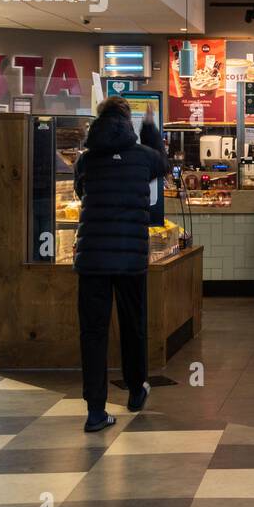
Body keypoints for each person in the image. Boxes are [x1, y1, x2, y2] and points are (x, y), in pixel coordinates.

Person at [72, 97, 164, 432]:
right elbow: (163, 164)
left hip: (93, 257)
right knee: (133, 324)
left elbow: (81, 193)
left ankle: (95, 411)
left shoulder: (85, 160)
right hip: (130, 258)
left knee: (93, 332)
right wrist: (151, 129)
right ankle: (136, 389)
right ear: (128, 121)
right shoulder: (143, 157)